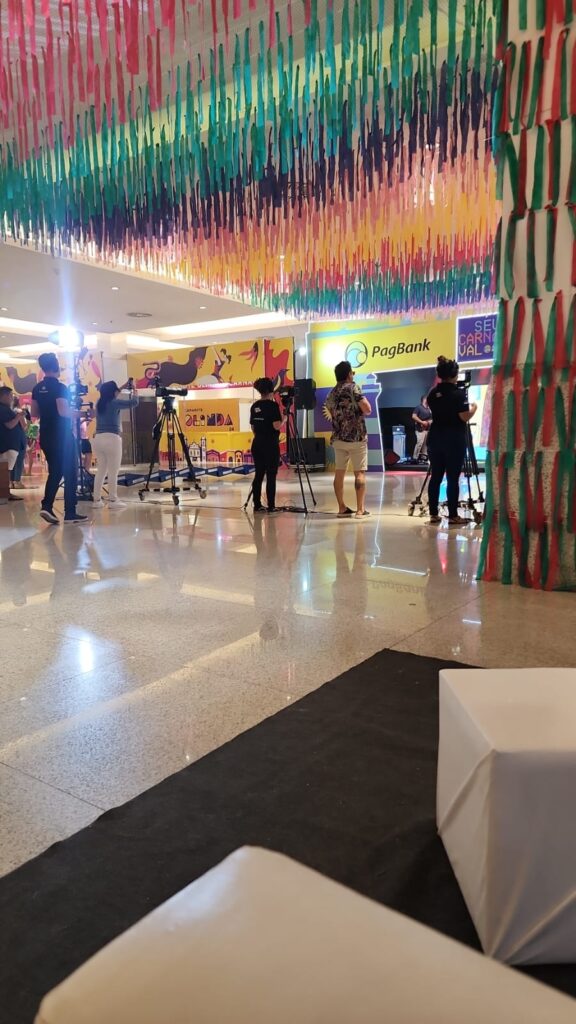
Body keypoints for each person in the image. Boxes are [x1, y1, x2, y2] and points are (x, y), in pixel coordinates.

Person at [31, 352, 88, 525]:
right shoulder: (60, 387)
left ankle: (46, 506)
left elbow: (34, 413)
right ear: (56, 366)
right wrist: (83, 414)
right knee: (70, 471)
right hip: (62, 436)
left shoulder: (37, 388)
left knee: (55, 471)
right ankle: (70, 512)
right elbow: (63, 411)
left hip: (46, 435)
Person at [426, 356, 477, 526]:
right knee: (453, 478)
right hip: (454, 440)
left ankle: (433, 514)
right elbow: (464, 417)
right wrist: (474, 408)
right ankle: (453, 515)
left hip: (435, 438)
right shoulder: (458, 394)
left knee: (435, 477)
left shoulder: (432, 394)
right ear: (455, 374)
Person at [325, 360, 372, 518]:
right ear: (348, 374)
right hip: (356, 437)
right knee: (360, 473)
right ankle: (360, 510)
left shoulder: (332, 393)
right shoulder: (353, 388)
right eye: (352, 372)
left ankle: (341, 508)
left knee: (339, 473)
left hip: (338, 438)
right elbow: (367, 409)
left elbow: (331, 411)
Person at [92, 380, 139, 509]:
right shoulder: (115, 403)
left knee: (101, 470)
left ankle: (96, 500)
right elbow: (134, 402)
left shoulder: (99, 403)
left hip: (98, 439)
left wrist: (123, 386)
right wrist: (135, 391)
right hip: (112, 439)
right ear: (113, 392)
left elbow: (114, 392)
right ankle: (113, 500)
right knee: (113, 471)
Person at [249, 377, 284, 513]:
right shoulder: (273, 406)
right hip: (270, 445)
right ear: (271, 390)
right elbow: (276, 426)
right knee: (271, 475)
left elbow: (253, 428)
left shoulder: (255, 406)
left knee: (259, 474)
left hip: (257, 444)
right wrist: (285, 419)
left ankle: (257, 505)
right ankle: (271, 506)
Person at [0, 386, 27, 502]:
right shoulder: (3, 409)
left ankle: (6, 492)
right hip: (8, 445)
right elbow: (9, 425)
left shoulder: (6, 409)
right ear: (4, 396)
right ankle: (4, 493)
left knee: (7, 470)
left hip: (12, 444)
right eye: (11, 396)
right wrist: (18, 416)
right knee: (5, 470)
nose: (12, 398)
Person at [9, 396, 29, 489]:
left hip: (10, 437)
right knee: (19, 459)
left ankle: (10, 482)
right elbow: (24, 426)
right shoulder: (19, 411)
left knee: (11, 459)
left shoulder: (9, 411)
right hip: (19, 436)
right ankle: (17, 481)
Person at [412, 394, 432, 462]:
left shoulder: (429, 408)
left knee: (425, 444)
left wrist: (428, 422)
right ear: (424, 399)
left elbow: (431, 418)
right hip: (420, 429)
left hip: (427, 429)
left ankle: (424, 457)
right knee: (420, 443)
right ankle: (415, 457)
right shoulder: (418, 407)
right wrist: (422, 422)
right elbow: (414, 416)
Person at [80, 404, 94, 472]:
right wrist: (84, 420)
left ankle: (86, 471)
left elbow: (85, 425)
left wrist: (87, 421)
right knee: (77, 456)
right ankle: (79, 472)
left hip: (85, 438)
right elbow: (75, 425)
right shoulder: (74, 413)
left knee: (89, 454)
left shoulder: (82, 413)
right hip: (77, 438)